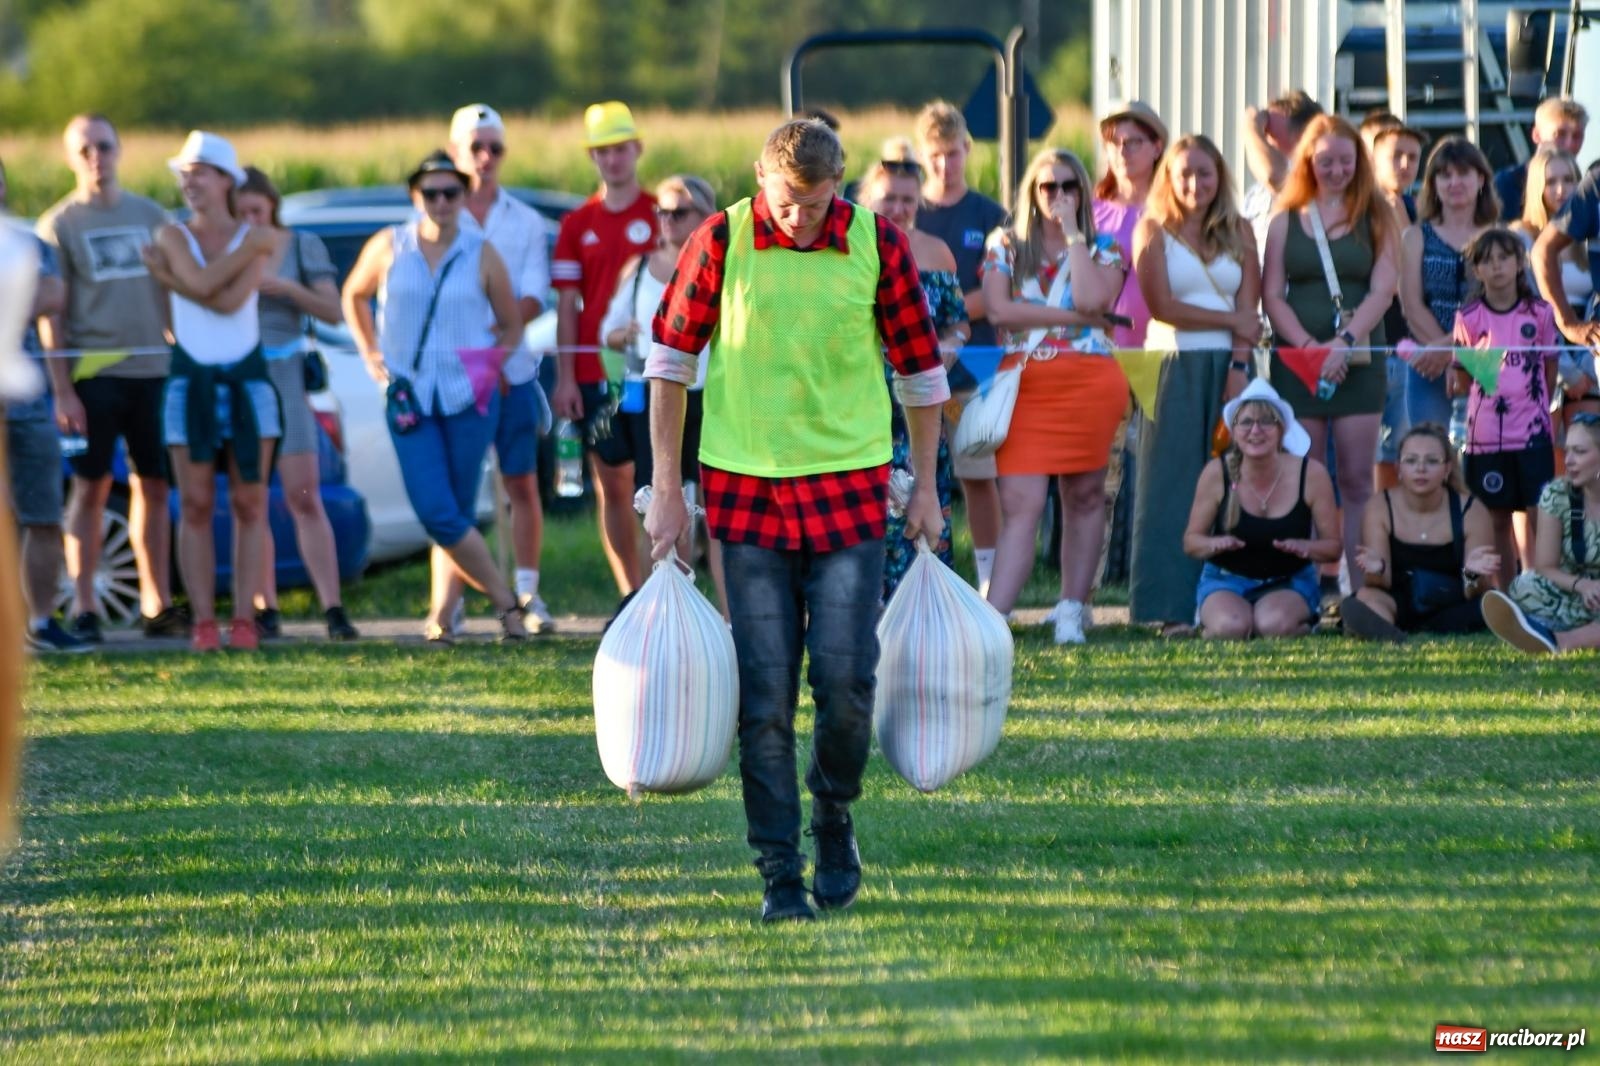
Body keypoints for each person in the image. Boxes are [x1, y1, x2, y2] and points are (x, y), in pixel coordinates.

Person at [642, 119, 949, 922]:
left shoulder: (877, 244)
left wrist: (924, 486)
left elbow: (921, 371)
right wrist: (668, 489)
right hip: (746, 497)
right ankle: (778, 871)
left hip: (850, 491)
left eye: (815, 205)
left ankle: (834, 813)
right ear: (759, 177)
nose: (800, 218)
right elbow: (669, 362)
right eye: (786, 202)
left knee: (846, 682)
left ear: (839, 186)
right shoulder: (720, 239)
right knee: (765, 694)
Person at [341, 150, 528, 643]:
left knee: (456, 513)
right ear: (414, 196)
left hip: (469, 396)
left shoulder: (481, 251)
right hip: (407, 396)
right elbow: (353, 294)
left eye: (450, 192)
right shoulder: (389, 244)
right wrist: (369, 351)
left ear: (464, 196)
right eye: (431, 193)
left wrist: (491, 364)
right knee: (437, 512)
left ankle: (442, 617)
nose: (441, 202)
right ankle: (507, 604)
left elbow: (512, 324)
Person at [37, 113, 184, 641]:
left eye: (104, 146)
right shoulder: (59, 224)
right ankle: (84, 605)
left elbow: (173, 288)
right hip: (93, 373)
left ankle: (156, 603)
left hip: (153, 371)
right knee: (91, 487)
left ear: (119, 149)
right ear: (71, 158)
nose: (96, 157)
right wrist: (62, 390)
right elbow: (51, 315)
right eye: (85, 150)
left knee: (154, 485)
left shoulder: (150, 214)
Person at [980, 148, 1128, 644]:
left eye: (1069, 186)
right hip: (1025, 383)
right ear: (1032, 192)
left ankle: (1071, 609)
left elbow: (1093, 299)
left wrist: (1074, 236)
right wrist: (1076, 320)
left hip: (1091, 383)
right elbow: (999, 311)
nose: (1059, 196)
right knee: (1021, 502)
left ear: (1083, 192)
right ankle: (994, 618)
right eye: (1049, 187)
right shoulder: (1005, 243)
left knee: (1084, 496)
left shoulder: (1104, 247)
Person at [141, 132, 279, 652]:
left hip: (248, 380)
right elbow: (202, 288)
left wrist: (164, 275)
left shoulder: (255, 236)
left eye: (199, 171)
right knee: (195, 503)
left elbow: (219, 299)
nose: (189, 181)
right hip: (189, 380)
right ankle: (203, 621)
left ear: (225, 179)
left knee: (250, 502)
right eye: (184, 173)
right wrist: (176, 277)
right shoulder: (173, 234)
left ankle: (244, 618)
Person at [1130, 133, 1261, 635]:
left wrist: (1240, 367)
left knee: (1236, 479)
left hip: (1230, 368)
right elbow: (1162, 306)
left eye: (1204, 172)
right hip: (1173, 366)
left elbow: (1250, 308)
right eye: (1183, 173)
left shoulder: (1240, 230)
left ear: (1219, 177)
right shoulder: (1152, 229)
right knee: (1170, 485)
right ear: (1168, 177)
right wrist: (1232, 323)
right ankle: (1169, 607)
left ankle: (1230, 600)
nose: (1194, 183)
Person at [1262, 113, 1398, 582]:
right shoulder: (1285, 220)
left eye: (1346, 160)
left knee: (1358, 478)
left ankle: (1358, 584)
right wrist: (1309, 349)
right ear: (1308, 162)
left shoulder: (1377, 215)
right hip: (1297, 364)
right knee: (1305, 474)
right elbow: (1272, 295)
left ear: (1359, 161)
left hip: (1359, 360)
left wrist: (1344, 342)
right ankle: (1304, 584)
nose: (1337, 170)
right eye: (1326, 162)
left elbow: (1383, 289)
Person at [234, 167, 359, 642]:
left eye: (257, 211)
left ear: (272, 205)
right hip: (243, 379)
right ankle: (265, 606)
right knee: (252, 502)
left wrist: (286, 289)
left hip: (287, 375)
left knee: (304, 496)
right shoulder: (225, 248)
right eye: (241, 213)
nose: (250, 221)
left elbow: (333, 311)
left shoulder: (301, 245)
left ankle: (333, 606)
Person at [445, 103, 556, 634]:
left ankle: (528, 592)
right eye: (475, 147)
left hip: (512, 370)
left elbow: (535, 294)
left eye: (495, 147)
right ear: (455, 152)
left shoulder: (526, 220)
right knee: (457, 493)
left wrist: (491, 335)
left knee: (521, 483)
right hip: (454, 375)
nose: (486, 157)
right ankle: (453, 601)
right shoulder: (438, 215)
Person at [598, 174, 726, 614]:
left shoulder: (721, 265)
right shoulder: (639, 268)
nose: (667, 221)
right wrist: (626, 334)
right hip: (655, 398)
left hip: (712, 397)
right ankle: (674, 611)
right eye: (662, 212)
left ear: (705, 215)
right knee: (665, 505)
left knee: (718, 512)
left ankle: (730, 619)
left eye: (679, 212)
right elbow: (607, 330)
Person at [550, 102, 659, 607]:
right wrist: (565, 377)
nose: (612, 160)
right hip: (596, 372)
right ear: (592, 157)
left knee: (661, 485)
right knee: (611, 487)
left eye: (620, 149)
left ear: (637, 149)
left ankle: (665, 583)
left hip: (655, 370)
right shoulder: (577, 223)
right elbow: (567, 306)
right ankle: (630, 592)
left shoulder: (661, 212)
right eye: (602, 151)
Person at [858, 158, 969, 598]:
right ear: (867, 198)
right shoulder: (851, 249)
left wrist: (952, 345)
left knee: (919, 507)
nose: (899, 208)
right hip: (861, 402)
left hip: (918, 403)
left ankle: (922, 609)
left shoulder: (935, 251)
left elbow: (958, 320)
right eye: (889, 198)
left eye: (908, 199)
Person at [914, 101, 1009, 596]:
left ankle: (991, 581)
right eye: (934, 155)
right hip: (911, 369)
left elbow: (995, 292)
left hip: (973, 366)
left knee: (977, 474)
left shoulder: (989, 214)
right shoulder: (907, 211)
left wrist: (943, 316)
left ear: (967, 149)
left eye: (952, 154)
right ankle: (920, 576)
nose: (944, 165)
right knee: (914, 476)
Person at [1182, 378, 1341, 638]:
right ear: (1234, 431)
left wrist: (1306, 547)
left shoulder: (1311, 473)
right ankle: (1216, 621)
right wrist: (1214, 544)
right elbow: (1191, 542)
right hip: (1226, 578)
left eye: (1266, 421)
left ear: (1281, 430)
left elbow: (1333, 547)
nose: (1255, 430)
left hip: (1289, 580)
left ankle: (1296, 620)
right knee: (1230, 628)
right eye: (1246, 422)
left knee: (1272, 625)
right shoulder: (1217, 472)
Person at [1, 160, 84, 651]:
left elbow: (54, 295)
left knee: (45, 516)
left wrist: (64, 390)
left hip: (30, 402)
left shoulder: (27, 244)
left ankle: (41, 623)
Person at [1449, 228, 1560, 581]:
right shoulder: (1468, 318)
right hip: (1486, 439)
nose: (1496, 266)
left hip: (1533, 434)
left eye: (1504, 258)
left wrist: (1537, 408)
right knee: (1495, 518)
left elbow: (1550, 368)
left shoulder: (1540, 313)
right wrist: (1484, 373)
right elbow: (1461, 380)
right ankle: (1506, 596)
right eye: (1487, 260)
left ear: (1518, 263)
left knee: (1540, 514)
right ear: (1476, 270)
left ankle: (1545, 589)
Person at [1340, 423, 1497, 641]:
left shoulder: (1471, 510)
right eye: (1411, 460)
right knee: (1364, 598)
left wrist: (1473, 574)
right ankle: (1391, 634)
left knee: (1489, 604)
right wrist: (1377, 570)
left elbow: (1475, 591)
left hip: (1452, 602)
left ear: (1447, 469)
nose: (1420, 468)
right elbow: (1380, 584)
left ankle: (1403, 632)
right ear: (1398, 468)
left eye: (1432, 461)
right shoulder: (1380, 506)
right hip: (1399, 602)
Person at [1399, 137, 1500, 444]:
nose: (1454, 182)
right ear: (1433, 184)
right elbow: (1412, 305)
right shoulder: (1414, 236)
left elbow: (1499, 306)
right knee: (1430, 452)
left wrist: (1454, 354)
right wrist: (1442, 356)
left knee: (1486, 454)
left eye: (1463, 173)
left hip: (1486, 363)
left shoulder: (1499, 237)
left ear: (1480, 179)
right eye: (1445, 175)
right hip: (1427, 365)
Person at [1481, 413, 1600, 653]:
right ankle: (1557, 628)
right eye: (1567, 451)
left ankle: (1558, 640)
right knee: (1525, 587)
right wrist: (1582, 586)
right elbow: (1545, 567)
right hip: (1577, 591)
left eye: (1579, 452)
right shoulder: (1556, 494)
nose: (1569, 460)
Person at [1513, 147, 1598, 435]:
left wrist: (1585, 366)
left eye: (1569, 180)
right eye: (1550, 181)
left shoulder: (1585, 238)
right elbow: (1528, 310)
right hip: (1542, 355)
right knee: (1543, 446)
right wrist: (1568, 371)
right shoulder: (1520, 239)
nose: (1561, 190)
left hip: (1586, 355)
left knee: (1585, 444)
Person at [1366, 115, 1426, 486]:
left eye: (1413, 157)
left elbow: (1416, 272)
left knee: (1403, 453)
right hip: (1366, 350)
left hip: (1408, 349)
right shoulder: (1356, 209)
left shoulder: (1418, 209)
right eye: (1396, 156)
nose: (1405, 164)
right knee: (1362, 455)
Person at [1241, 90, 1324, 254]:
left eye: (1269, 130)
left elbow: (1272, 174)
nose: (1263, 138)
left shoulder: (1317, 178)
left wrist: (1251, 128)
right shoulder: (1255, 195)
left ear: (1303, 136)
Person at [1494, 96, 1588, 221]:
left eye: (1577, 136)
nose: (1568, 144)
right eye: (1560, 134)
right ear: (1536, 135)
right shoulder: (1506, 185)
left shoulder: (1586, 188)